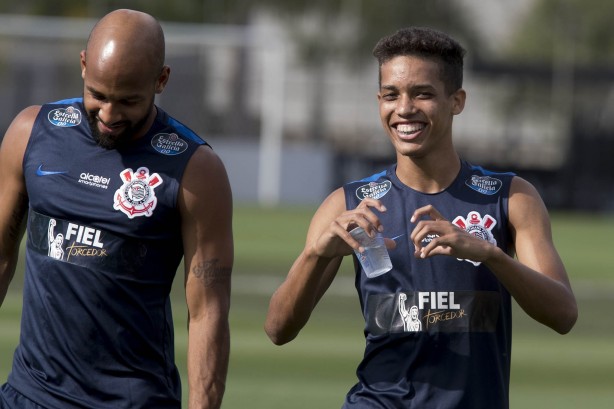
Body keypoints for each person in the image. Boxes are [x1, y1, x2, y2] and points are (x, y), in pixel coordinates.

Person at [265, 27, 577, 408]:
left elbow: (563, 314)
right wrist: (317, 254)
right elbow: (278, 329)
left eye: (423, 94)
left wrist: (491, 254)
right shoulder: (346, 204)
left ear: (456, 101)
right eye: (390, 95)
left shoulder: (511, 197)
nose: (404, 109)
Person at [0, 9, 232, 409]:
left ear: (161, 80)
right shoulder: (31, 133)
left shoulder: (196, 170)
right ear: (83, 64)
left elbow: (207, 312)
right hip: (28, 396)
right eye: (98, 95)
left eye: (128, 101)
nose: (109, 115)